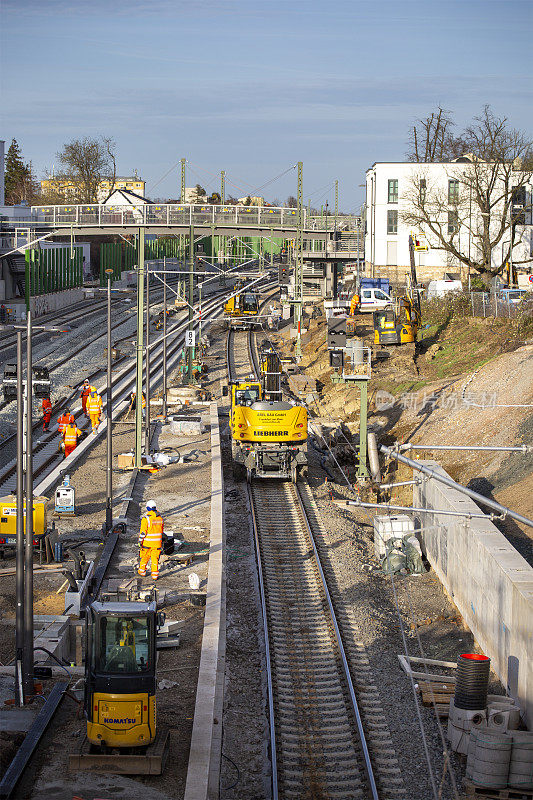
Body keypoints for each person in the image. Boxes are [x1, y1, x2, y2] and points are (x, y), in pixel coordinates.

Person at [138, 501, 164, 580]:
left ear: (148, 508)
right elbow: (162, 531)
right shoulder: (160, 518)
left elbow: (143, 532)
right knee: (155, 559)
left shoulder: (146, 519)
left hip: (147, 543)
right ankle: (155, 575)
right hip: (157, 543)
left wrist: (140, 541)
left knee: (145, 557)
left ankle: (142, 571)